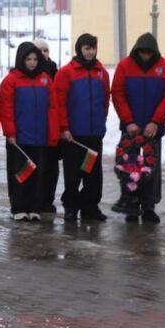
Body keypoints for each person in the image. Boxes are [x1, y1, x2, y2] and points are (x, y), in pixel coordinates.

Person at [111, 33, 165, 223]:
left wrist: (155, 122)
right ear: (136, 51)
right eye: (142, 53)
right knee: (129, 166)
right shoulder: (124, 66)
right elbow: (118, 94)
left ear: (154, 52)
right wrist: (128, 121)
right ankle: (131, 205)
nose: (146, 56)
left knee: (151, 169)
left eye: (149, 53)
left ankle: (149, 205)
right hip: (131, 128)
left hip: (153, 129)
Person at [0, 42, 58, 221]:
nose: (32, 63)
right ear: (21, 60)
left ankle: (34, 208)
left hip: (40, 138)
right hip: (19, 139)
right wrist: (10, 133)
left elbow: (53, 107)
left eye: (34, 59)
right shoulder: (11, 80)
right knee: (19, 174)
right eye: (28, 59)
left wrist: (53, 134)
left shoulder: (45, 80)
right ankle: (18, 207)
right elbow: (6, 108)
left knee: (38, 174)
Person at [54, 33, 110, 222]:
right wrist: (64, 127)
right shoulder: (66, 72)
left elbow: (105, 100)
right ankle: (71, 207)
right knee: (73, 174)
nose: (90, 52)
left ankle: (90, 207)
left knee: (93, 174)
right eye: (87, 48)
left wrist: (102, 121)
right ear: (79, 49)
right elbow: (59, 102)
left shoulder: (101, 73)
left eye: (93, 48)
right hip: (73, 135)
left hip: (94, 134)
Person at [34, 38, 62, 215]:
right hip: (36, 128)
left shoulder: (56, 72)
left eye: (46, 50)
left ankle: (48, 200)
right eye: (40, 50)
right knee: (38, 166)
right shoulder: (29, 71)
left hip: (53, 128)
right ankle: (36, 200)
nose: (43, 53)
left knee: (52, 167)